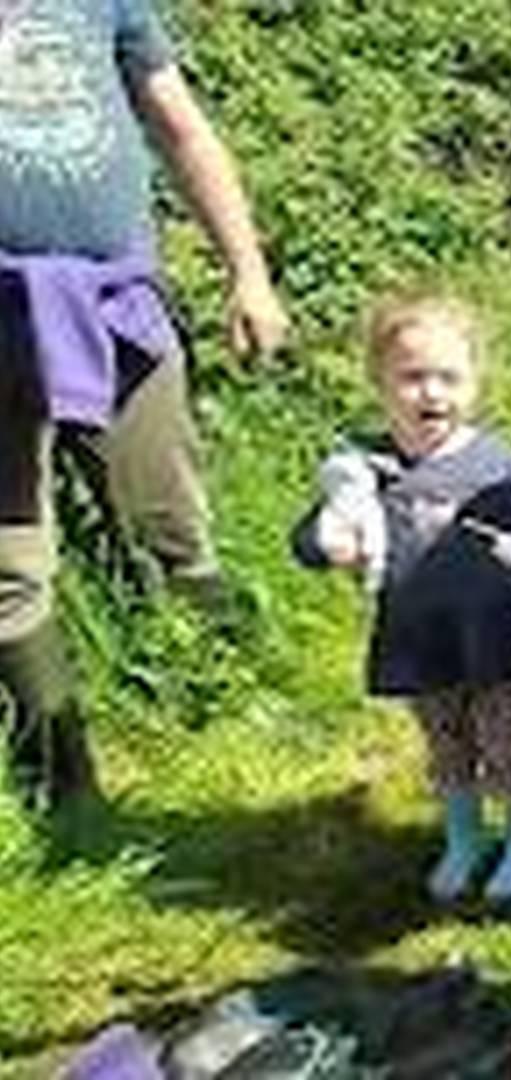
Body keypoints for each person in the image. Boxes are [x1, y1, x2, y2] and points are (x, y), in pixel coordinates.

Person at [0, 0, 290, 813]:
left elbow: (183, 129)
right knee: (10, 567)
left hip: (113, 304)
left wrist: (249, 272)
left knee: (171, 526)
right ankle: (64, 787)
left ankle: (225, 708)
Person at [292, 293, 511, 908]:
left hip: (499, 637)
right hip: (418, 635)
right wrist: (326, 542)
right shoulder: (366, 466)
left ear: (474, 381)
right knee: (446, 743)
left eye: (449, 377)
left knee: (506, 742)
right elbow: (313, 535)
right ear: (380, 382)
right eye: (413, 377)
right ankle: (464, 838)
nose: (431, 393)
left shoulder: (502, 466)